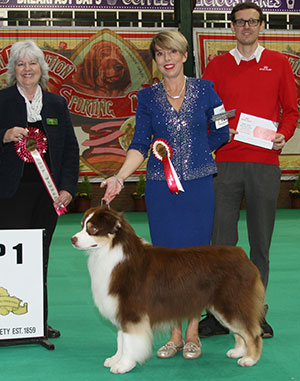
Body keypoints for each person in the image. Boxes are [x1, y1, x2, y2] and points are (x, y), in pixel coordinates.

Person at [101, 30, 229, 360]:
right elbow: (139, 144)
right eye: (160, 54)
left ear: (185, 55)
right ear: (155, 60)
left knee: (195, 261)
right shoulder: (147, 98)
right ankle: (173, 334)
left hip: (198, 188)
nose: (167, 59)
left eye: (172, 52)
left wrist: (195, 156)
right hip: (161, 190)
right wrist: (119, 176)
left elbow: (221, 131)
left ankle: (193, 333)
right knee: (166, 263)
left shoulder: (206, 90)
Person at [199, 2, 298, 339]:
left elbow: (291, 110)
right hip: (224, 163)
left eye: (252, 22)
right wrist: (219, 126)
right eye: (240, 22)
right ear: (232, 26)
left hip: (264, 165)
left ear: (261, 26)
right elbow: (207, 112)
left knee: (260, 243)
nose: (246, 27)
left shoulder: (279, 63)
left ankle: (256, 311)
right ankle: (217, 314)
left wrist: (284, 133)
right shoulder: (217, 65)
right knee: (222, 243)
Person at [0, 40, 79, 338]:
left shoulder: (57, 104)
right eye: (20, 64)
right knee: (9, 259)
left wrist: (68, 188)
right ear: (13, 71)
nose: (27, 69)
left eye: (32, 63)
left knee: (40, 258)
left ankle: (37, 320)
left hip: (49, 197)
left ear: (42, 69)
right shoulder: (3, 101)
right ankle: (6, 320)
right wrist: (4, 135)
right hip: (10, 195)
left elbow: (71, 151)